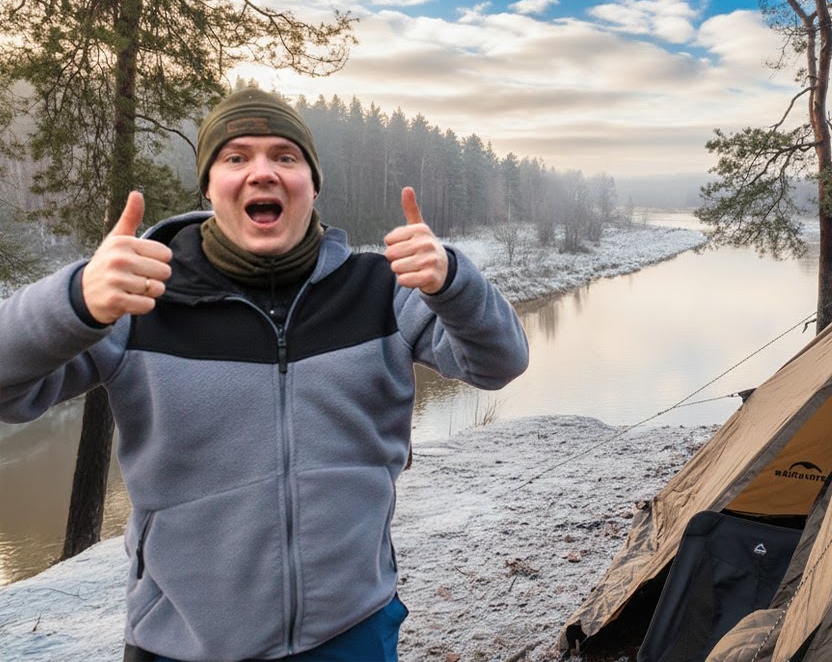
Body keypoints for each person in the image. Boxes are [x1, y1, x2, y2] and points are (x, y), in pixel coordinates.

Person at [0, 88, 529, 661]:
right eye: (235, 157)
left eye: (285, 156)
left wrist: (454, 277)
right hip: (183, 644)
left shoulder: (380, 291)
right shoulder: (140, 300)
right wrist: (74, 301)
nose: (262, 173)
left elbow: (499, 363)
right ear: (208, 185)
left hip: (352, 630)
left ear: (312, 183)